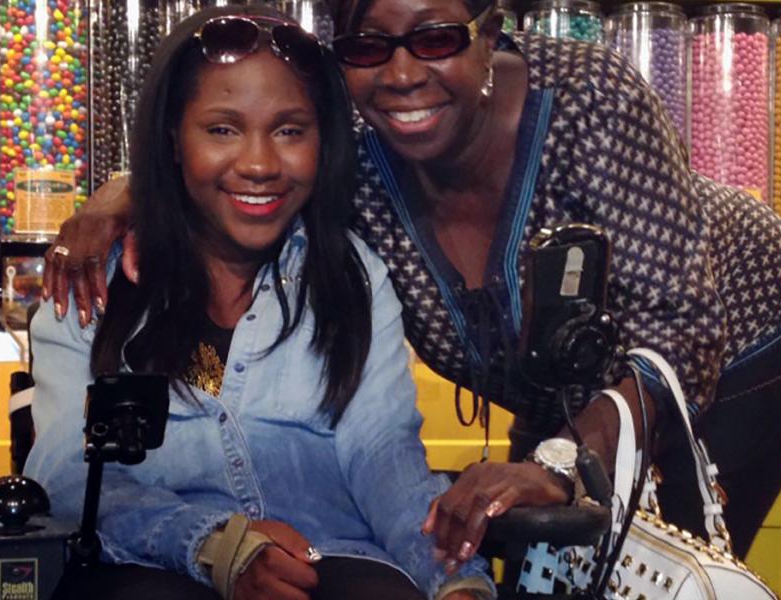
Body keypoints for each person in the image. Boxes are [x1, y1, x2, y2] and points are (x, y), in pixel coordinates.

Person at [44, 0, 781, 571]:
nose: (402, 73)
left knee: (652, 569)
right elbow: (243, 149)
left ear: (489, 36)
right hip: (558, 384)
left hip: (734, 339)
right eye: (369, 46)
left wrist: (561, 462)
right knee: (542, 561)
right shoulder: (353, 139)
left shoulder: (589, 101)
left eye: (435, 37)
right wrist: (125, 193)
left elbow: (679, 329)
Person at [24, 7, 495, 600]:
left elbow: (383, 457)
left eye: (289, 130)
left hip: (332, 559)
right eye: (222, 129)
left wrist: (455, 581)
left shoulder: (350, 277)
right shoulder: (94, 281)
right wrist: (217, 545)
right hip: (152, 569)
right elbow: (67, 479)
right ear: (173, 137)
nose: (259, 164)